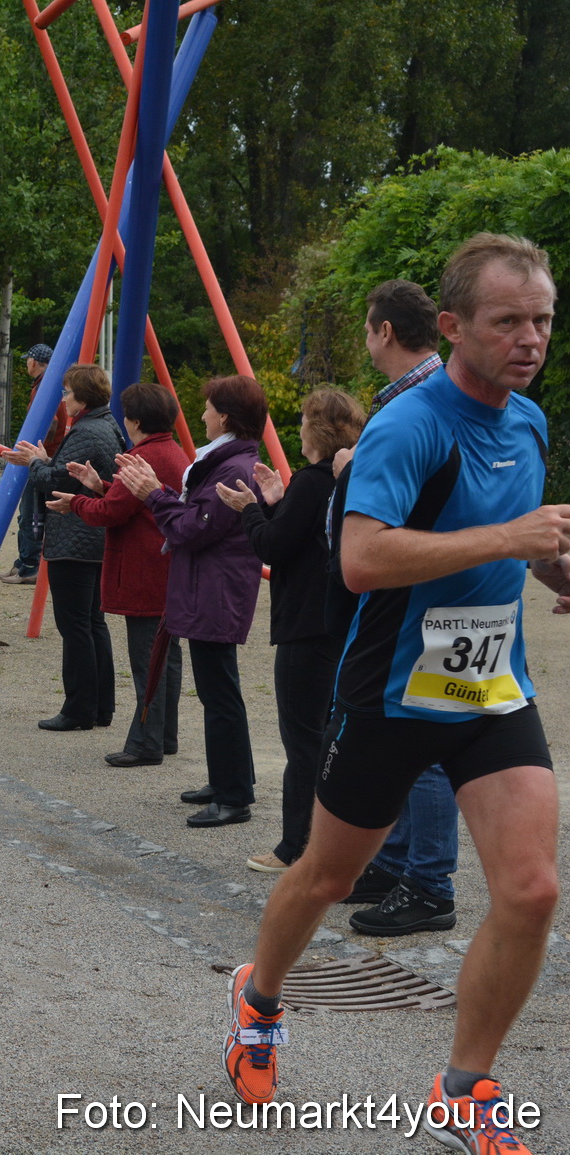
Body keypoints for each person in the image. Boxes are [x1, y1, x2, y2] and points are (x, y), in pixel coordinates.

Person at [221, 237, 564, 1153]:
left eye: (542, 320)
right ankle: (257, 1003)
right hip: (394, 693)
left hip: (491, 686)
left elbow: (516, 538)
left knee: (530, 890)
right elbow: (363, 557)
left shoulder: (527, 422)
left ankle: (463, 1087)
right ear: (451, 326)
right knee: (327, 876)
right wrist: (507, 538)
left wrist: (554, 562)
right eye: (508, 321)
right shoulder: (409, 426)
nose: (530, 339)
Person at [330, 278, 464, 935]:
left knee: (427, 740)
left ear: (384, 330)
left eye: (366, 325)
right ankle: (397, 860)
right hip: (412, 600)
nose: (364, 336)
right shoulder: (418, 399)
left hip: (431, 602)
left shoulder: (428, 402)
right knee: (398, 732)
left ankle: (430, 883)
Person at [217, 388, 363, 873]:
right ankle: (328, 844)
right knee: (330, 736)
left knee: (303, 741)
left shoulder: (312, 481)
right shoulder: (337, 482)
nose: (297, 429)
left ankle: (293, 847)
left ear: (317, 429)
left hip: (305, 623)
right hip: (337, 621)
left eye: (302, 421)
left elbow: (274, 547)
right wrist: (277, 501)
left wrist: (250, 509)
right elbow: (305, 539)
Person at [114, 375, 266, 828]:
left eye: (208, 408)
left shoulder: (232, 468)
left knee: (221, 694)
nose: (201, 415)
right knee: (218, 690)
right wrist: (162, 498)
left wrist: (154, 495)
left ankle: (234, 795)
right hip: (208, 587)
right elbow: (191, 520)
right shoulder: (223, 461)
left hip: (216, 591)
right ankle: (228, 781)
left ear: (226, 416)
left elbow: (191, 528)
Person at [50, 380, 187, 762]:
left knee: (148, 660)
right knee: (166, 657)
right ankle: (164, 735)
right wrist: (100, 485)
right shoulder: (170, 451)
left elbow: (112, 512)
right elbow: (131, 501)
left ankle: (145, 742)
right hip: (164, 569)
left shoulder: (147, 456)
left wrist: (76, 502)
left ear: (137, 420)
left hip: (145, 570)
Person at [1, 363, 121, 730]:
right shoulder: (107, 425)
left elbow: (56, 482)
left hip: (76, 539)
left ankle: (79, 708)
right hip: (94, 537)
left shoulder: (87, 430)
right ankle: (101, 706)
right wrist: (45, 461)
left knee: (75, 626)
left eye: (67, 391)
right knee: (92, 623)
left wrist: (35, 463)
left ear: (82, 396)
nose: (63, 397)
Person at [0, 343, 57, 585]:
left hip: (40, 459)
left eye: (27, 360)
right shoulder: (50, 383)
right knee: (30, 512)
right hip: (45, 457)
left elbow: (51, 423)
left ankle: (30, 565)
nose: (26, 364)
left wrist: (35, 449)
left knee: (31, 513)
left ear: (34, 362)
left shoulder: (43, 386)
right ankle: (25, 561)